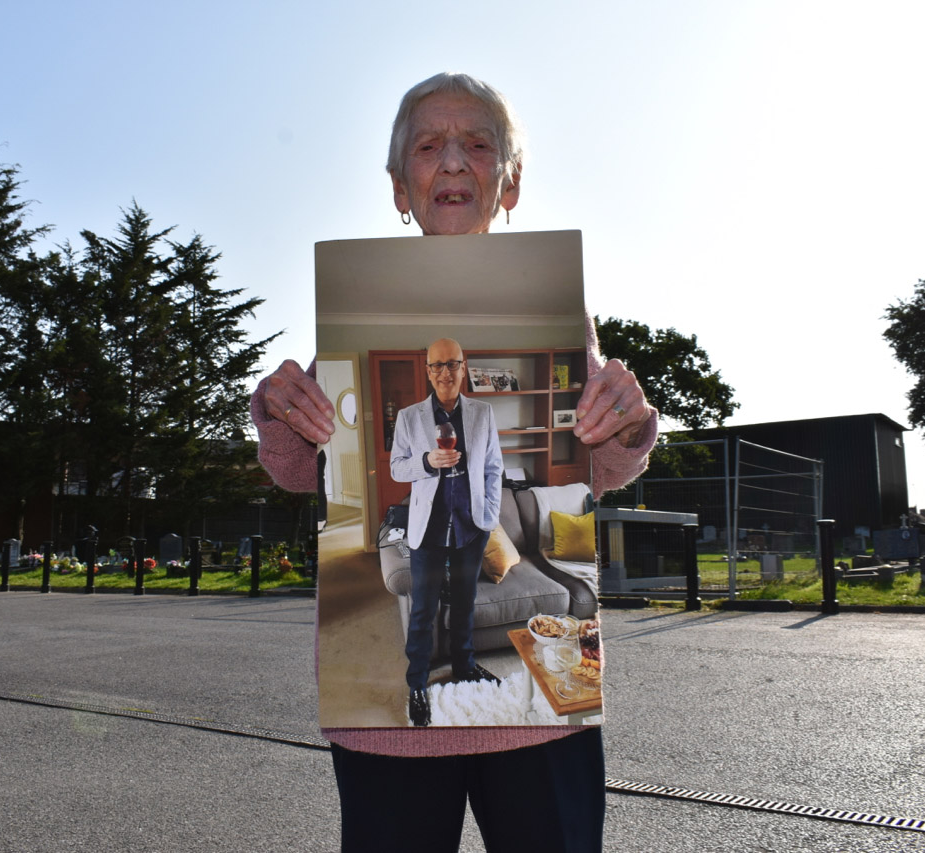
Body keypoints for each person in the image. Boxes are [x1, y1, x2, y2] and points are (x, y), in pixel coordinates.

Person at [250, 72, 658, 852]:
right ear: (401, 187)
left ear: (509, 183)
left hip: (541, 730)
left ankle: (468, 664)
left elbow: (591, 472)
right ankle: (423, 677)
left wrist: (626, 425)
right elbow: (307, 471)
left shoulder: (557, 304)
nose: (454, 162)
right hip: (389, 737)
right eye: (429, 146)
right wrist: (280, 413)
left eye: (478, 144)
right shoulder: (360, 298)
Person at [391, 337, 504, 727]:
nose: (444, 373)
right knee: (423, 609)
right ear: (427, 370)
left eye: (451, 364)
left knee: (465, 602)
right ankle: (417, 682)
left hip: (471, 527)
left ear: (463, 366)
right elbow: (396, 468)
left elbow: (493, 467)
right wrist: (426, 460)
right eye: (436, 365)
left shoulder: (483, 412)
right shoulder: (409, 417)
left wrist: (489, 513)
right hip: (429, 528)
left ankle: (464, 666)